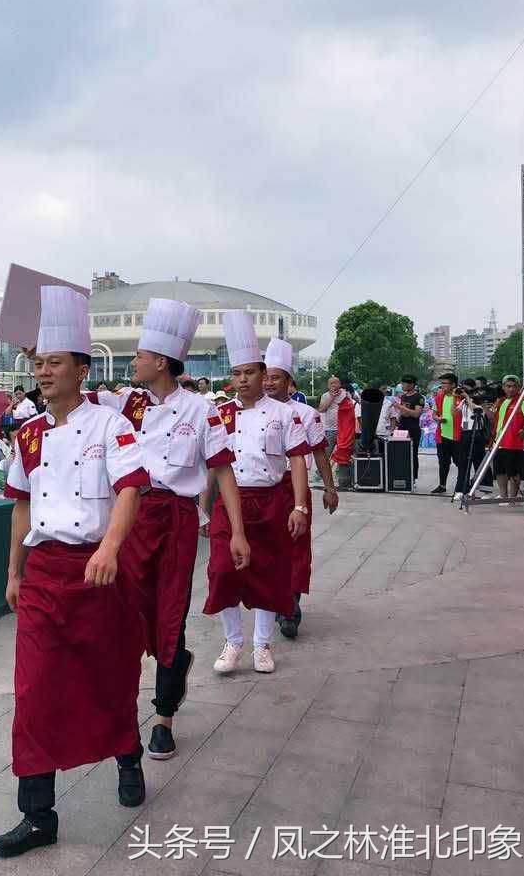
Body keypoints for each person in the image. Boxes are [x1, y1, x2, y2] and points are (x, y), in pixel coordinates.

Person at [0, 286, 150, 858]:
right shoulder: (27, 434)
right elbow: (21, 505)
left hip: (99, 574)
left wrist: (109, 548)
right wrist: (15, 571)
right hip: (44, 574)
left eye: (54, 363)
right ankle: (37, 816)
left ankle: (127, 752)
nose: (44, 372)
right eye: (38, 363)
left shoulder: (111, 425)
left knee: (108, 673)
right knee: (33, 691)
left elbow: (131, 488)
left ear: (82, 369)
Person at [114, 297, 245, 762]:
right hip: (131, 517)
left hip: (177, 520)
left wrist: (239, 533)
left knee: (170, 612)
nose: (133, 362)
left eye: (139, 357)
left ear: (162, 363)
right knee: (129, 611)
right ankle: (124, 704)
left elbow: (224, 470)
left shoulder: (202, 410)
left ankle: (164, 716)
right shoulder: (126, 405)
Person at [202, 314, 309, 677]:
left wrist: (298, 506)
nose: (243, 380)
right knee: (221, 571)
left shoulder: (285, 414)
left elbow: (297, 461)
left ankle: (262, 645)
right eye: (237, 373)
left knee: (269, 572)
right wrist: (204, 509)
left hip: (270, 502)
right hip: (229, 504)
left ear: (264, 376)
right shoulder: (220, 415)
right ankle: (233, 642)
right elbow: (214, 468)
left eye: (250, 372)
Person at [263, 342, 338, 640]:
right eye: (265, 377)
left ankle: (290, 606)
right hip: (262, 491)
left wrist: (329, 488)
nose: (268, 383)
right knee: (267, 549)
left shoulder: (306, 414)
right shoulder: (252, 411)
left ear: (290, 383)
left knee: (295, 547)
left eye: (275, 377)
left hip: (293, 488)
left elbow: (319, 453)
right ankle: (272, 599)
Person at [486, 375, 524, 500]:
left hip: (513, 443)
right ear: (504, 387)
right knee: (500, 470)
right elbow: (491, 417)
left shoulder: (522, 401)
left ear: (518, 388)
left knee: (513, 472)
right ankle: (503, 495)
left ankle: (513, 498)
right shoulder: (501, 401)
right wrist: (483, 406)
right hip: (499, 442)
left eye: (514, 386)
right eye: (508, 386)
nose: (511, 389)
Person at [431, 373, 462, 494]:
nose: (442, 386)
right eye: (442, 383)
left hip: (458, 436)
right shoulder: (439, 397)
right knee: (443, 462)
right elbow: (434, 414)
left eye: (445, 383)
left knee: (460, 463)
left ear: (453, 384)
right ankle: (442, 485)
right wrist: (437, 418)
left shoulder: (460, 398)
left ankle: (460, 487)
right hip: (442, 435)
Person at [397, 375, 425, 481]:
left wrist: (402, 408)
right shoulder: (403, 397)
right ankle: (403, 474)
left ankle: (413, 477)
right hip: (402, 427)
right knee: (401, 452)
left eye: (404, 384)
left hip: (413, 428)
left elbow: (416, 414)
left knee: (412, 453)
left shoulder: (419, 398)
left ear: (411, 385)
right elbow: (403, 412)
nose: (402, 386)